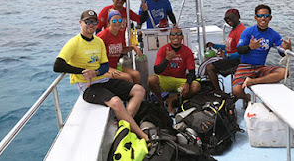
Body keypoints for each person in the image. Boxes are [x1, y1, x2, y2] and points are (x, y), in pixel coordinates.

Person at [53, 10, 148, 141]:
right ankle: (142, 135)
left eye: (94, 22)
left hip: (104, 79)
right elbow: (57, 65)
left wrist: (95, 72)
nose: (91, 25)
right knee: (116, 102)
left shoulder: (98, 42)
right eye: (88, 22)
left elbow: (104, 66)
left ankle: (124, 124)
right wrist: (83, 72)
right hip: (88, 86)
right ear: (80, 23)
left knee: (139, 90)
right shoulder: (74, 43)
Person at [232, 4, 292, 102]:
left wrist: (288, 49)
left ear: (270, 18)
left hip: (260, 67)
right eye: (260, 16)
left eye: (266, 16)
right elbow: (239, 50)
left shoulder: (274, 34)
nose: (263, 18)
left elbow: (282, 53)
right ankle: (247, 98)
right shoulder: (248, 32)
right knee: (236, 91)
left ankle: (253, 81)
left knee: (285, 72)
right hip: (245, 66)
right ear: (255, 18)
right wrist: (250, 47)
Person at [148, 27, 201, 113]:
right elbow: (157, 71)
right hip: (166, 79)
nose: (176, 36)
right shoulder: (163, 50)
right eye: (173, 34)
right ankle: (161, 102)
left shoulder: (187, 51)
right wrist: (167, 59)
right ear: (169, 37)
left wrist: (187, 84)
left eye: (179, 34)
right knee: (151, 79)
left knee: (196, 86)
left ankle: (171, 99)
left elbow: (192, 72)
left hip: (180, 80)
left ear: (182, 37)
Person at [97, 10, 142, 84]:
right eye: (114, 21)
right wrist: (107, 68)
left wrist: (134, 47)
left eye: (119, 20)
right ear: (109, 22)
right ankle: (129, 94)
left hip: (115, 66)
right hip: (104, 68)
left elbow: (121, 49)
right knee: (127, 77)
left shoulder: (121, 33)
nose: (117, 23)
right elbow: (95, 55)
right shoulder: (103, 35)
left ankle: (138, 93)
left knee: (136, 75)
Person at [204, 9, 246, 91]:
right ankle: (212, 89)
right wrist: (214, 45)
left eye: (231, 17)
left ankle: (219, 92)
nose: (228, 20)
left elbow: (241, 52)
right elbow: (228, 46)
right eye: (226, 19)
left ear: (238, 17)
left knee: (210, 68)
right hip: (230, 58)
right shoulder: (234, 29)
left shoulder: (241, 31)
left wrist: (227, 56)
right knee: (206, 65)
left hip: (237, 61)